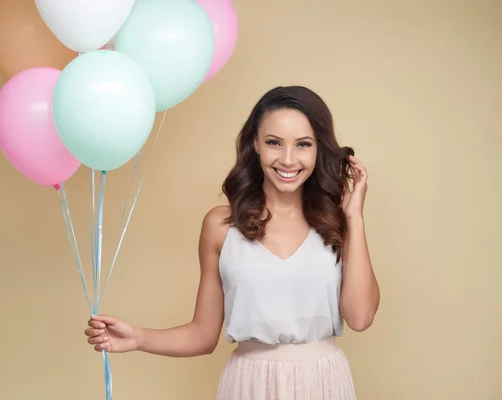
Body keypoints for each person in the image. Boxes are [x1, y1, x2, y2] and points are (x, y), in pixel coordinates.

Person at [84, 86, 380, 399]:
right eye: (274, 143)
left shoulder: (336, 223)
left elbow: (360, 317)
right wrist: (137, 338)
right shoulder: (221, 226)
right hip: (248, 384)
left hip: (323, 383)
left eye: (303, 144)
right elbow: (203, 334)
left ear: (318, 148)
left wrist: (354, 218)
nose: (288, 159)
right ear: (255, 144)